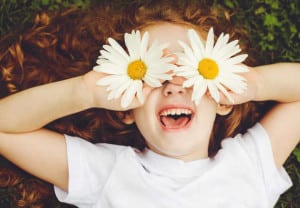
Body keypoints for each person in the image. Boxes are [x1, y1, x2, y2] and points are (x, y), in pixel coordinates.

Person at [0, 1, 299, 207]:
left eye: (191, 70)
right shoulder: (107, 172)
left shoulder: (249, 163)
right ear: (127, 109)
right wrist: (85, 92)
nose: (172, 85)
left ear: (222, 99)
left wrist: (257, 84)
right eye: (151, 75)